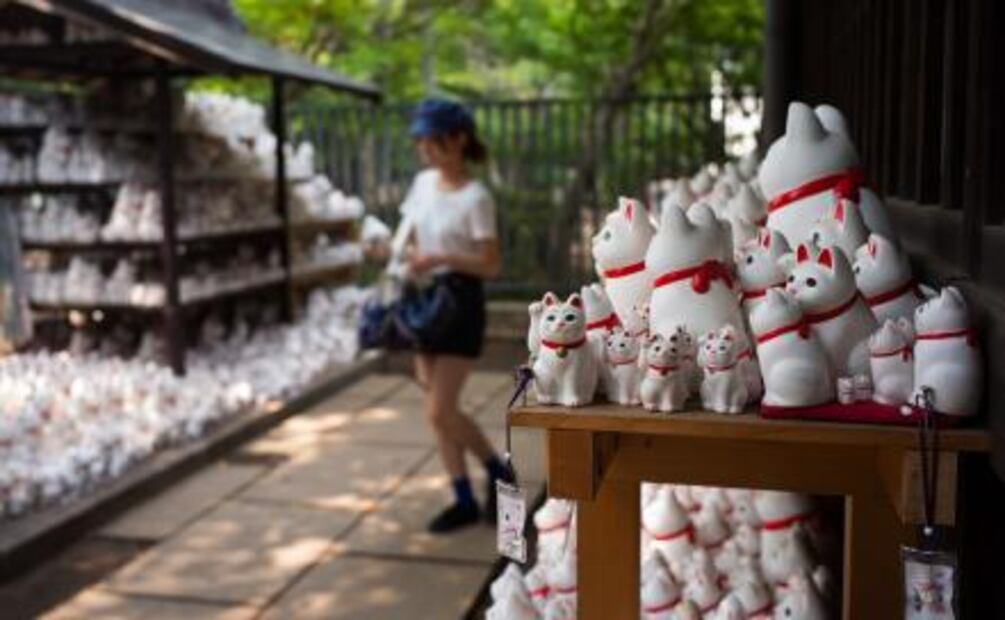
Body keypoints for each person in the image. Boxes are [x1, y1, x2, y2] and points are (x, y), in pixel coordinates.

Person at [395, 99, 513, 533]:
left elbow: (490, 265)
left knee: (438, 410)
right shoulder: (423, 184)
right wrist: (403, 258)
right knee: (437, 410)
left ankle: (498, 471)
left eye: (433, 139)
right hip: (425, 298)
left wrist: (441, 257)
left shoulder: (476, 198)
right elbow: (408, 241)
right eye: (421, 140)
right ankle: (462, 496)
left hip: (461, 303)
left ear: (459, 139)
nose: (425, 148)